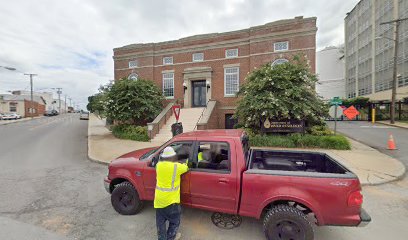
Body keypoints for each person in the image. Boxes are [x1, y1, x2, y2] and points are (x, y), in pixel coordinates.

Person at [155, 146, 189, 240]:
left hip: (159, 200)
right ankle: (170, 237)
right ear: (173, 157)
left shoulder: (158, 165)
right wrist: (184, 161)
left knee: (160, 222)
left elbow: (160, 162)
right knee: (174, 221)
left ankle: (162, 238)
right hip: (171, 201)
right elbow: (186, 167)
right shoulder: (177, 167)